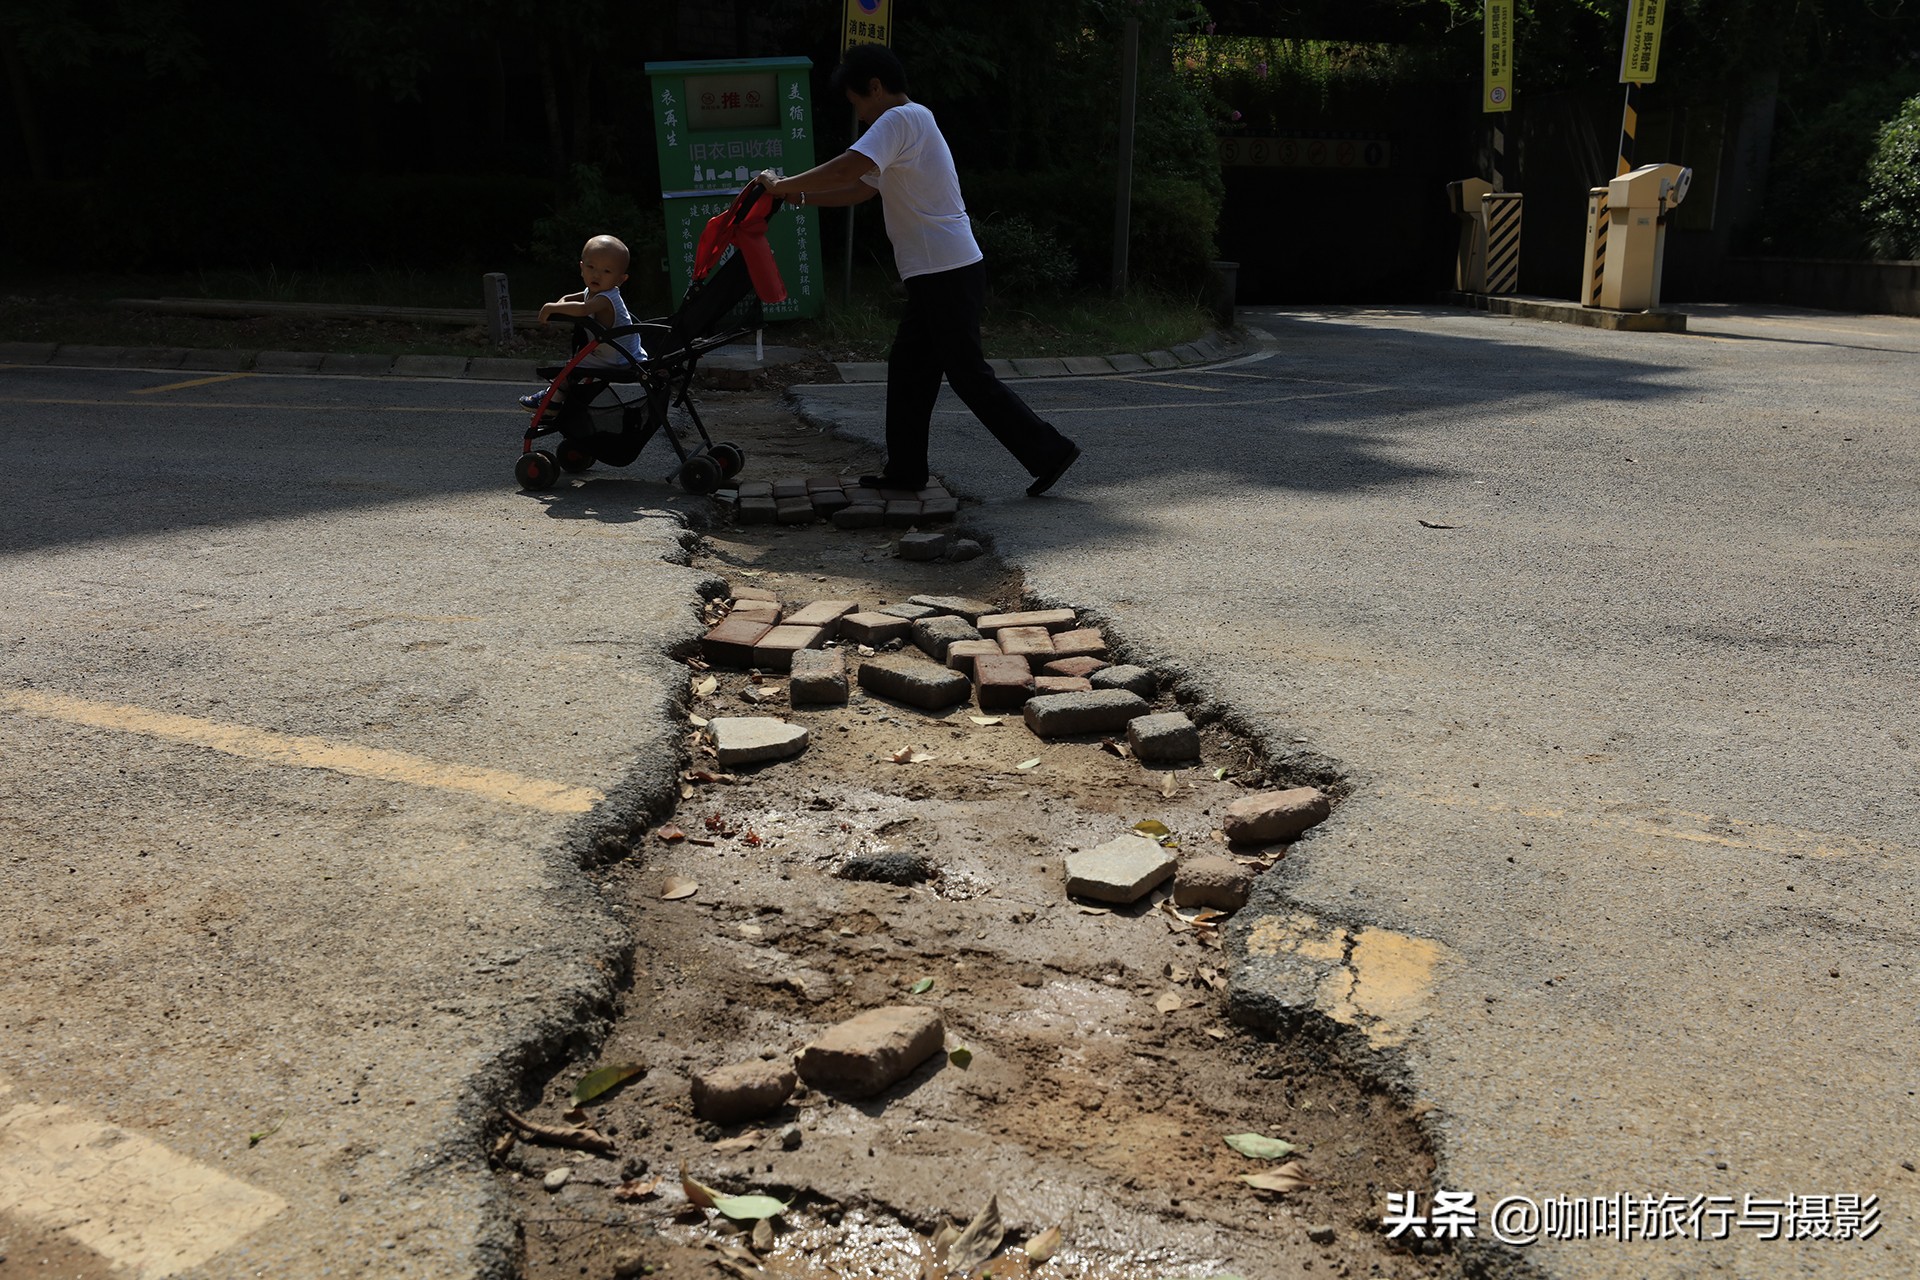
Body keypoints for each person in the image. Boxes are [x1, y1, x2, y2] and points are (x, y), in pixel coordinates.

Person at [757, 45, 1080, 497]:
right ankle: (907, 471)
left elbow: (851, 166)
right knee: (910, 369)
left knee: (967, 375)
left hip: (944, 269)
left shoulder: (899, 120)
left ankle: (1050, 451)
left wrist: (783, 185)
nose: (862, 117)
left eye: (858, 104)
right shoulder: (912, 121)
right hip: (938, 270)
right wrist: (801, 198)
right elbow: (861, 189)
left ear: (875, 87)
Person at [518, 234, 647, 414]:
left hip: (619, 358)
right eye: (591, 267)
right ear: (581, 268)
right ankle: (556, 400)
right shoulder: (593, 291)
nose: (596, 274)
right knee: (572, 366)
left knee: (570, 368)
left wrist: (550, 308)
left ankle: (552, 402)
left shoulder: (605, 299)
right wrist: (560, 305)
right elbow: (571, 299)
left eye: (606, 271)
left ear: (620, 280)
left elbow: (582, 309)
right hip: (611, 352)